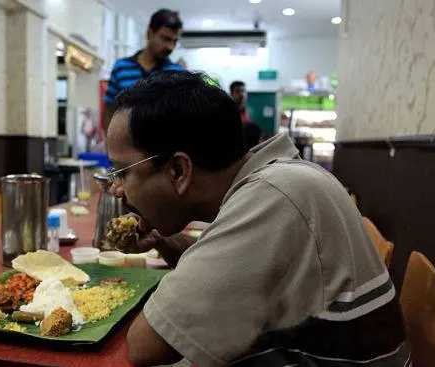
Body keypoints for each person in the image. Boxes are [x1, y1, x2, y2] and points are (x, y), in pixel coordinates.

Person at [106, 71, 408, 367]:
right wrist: (165, 243)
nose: (117, 190)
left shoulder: (273, 195)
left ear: (178, 171)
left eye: (122, 172)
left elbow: (146, 346)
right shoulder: (276, 177)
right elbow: (242, 273)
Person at [103, 9, 183, 132]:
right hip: (125, 146)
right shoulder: (121, 67)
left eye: (174, 41)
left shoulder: (176, 73)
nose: (170, 47)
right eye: (165, 39)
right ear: (149, 34)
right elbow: (109, 109)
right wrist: (111, 146)